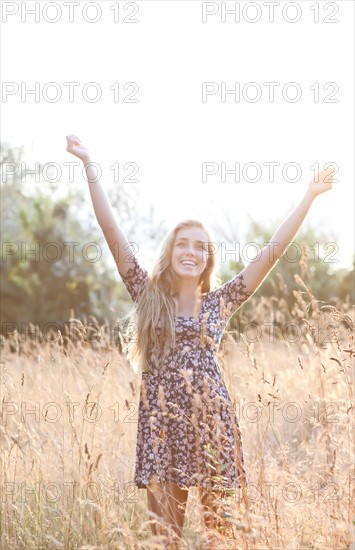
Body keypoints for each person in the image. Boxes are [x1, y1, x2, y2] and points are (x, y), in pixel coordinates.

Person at [66, 135, 334, 547]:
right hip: (162, 429)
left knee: (220, 536)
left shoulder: (220, 303)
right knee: (165, 538)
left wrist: (309, 196)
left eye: (199, 246)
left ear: (208, 258)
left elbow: (273, 251)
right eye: (182, 244)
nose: (190, 251)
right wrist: (89, 165)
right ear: (170, 252)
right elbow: (110, 230)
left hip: (214, 427)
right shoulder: (147, 294)